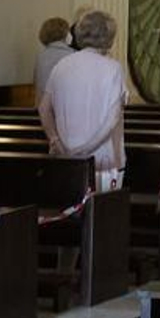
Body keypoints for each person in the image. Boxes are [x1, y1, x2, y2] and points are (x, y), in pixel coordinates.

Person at [41, 10, 127, 190]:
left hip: (65, 156)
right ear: (109, 36)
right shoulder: (112, 68)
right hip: (102, 159)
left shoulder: (61, 65)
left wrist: (55, 141)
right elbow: (112, 119)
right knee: (102, 212)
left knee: (71, 210)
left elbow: (44, 109)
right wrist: (86, 149)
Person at [33, 17, 74, 100]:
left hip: (42, 105)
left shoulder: (40, 56)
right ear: (65, 33)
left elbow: (36, 82)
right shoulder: (72, 55)